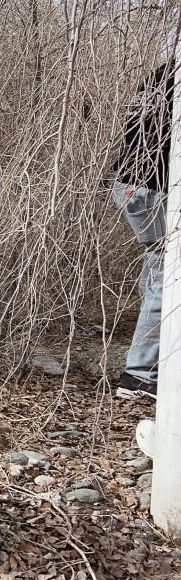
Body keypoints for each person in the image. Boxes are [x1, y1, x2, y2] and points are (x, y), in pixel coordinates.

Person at [109, 61, 175, 401]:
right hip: (151, 188)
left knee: (158, 269)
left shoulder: (164, 73)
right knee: (168, 277)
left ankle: (148, 369)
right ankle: (140, 375)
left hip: (129, 185)